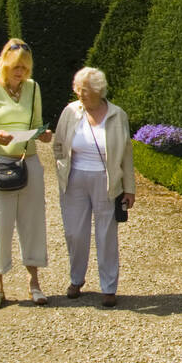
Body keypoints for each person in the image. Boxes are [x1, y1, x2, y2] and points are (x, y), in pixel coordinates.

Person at [0, 39, 54, 309]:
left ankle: (34, 282)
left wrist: (43, 135)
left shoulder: (33, 88)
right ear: (4, 64)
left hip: (27, 159)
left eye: (25, 67)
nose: (21, 72)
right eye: (16, 66)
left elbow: (35, 123)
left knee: (33, 221)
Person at [52, 66, 134, 308]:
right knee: (75, 233)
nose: (80, 94)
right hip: (74, 178)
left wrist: (129, 188)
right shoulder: (70, 111)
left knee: (106, 234)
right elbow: (58, 143)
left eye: (85, 90)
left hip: (106, 180)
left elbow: (127, 154)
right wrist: (60, 167)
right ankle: (76, 279)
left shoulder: (118, 115)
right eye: (77, 89)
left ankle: (109, 287)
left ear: (98, 90)